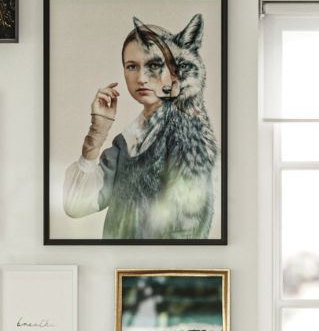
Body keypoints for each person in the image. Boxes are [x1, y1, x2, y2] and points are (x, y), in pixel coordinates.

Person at [63, 20, 216, 240]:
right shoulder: (126, 140)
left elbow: (188, 225)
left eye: (153, 65)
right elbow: (76, 205)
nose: (142, 78)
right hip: (116, 261)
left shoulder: (185, 130)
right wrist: (97, 133)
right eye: (132, 66)